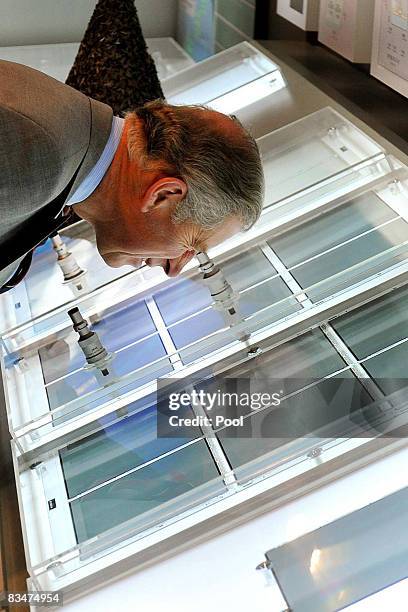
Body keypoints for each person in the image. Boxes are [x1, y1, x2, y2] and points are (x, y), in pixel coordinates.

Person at [0, 59, 264, 291]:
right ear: (163, 195)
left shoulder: (62, 148)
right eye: (191, 245)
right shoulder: (37, 155)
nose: (174, 270)